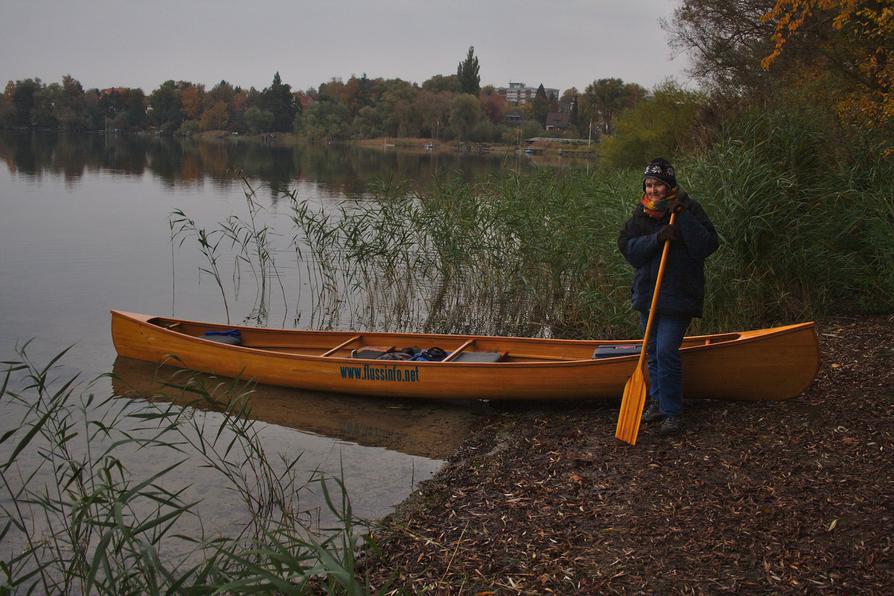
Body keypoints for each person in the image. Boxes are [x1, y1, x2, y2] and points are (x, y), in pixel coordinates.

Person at [618, 158, 719, 435]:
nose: (652, 191)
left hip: (678, 295)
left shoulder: (687, 208)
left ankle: (672, 412)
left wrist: (682, 217)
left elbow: (707, 246)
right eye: (649, 185)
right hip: (648, 295)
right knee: (652, 351)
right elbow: (628, 249)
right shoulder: (642, 214)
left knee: (665, 351)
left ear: (669, 186)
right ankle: (658, 403)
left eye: (658, 185)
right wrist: (657, 239)